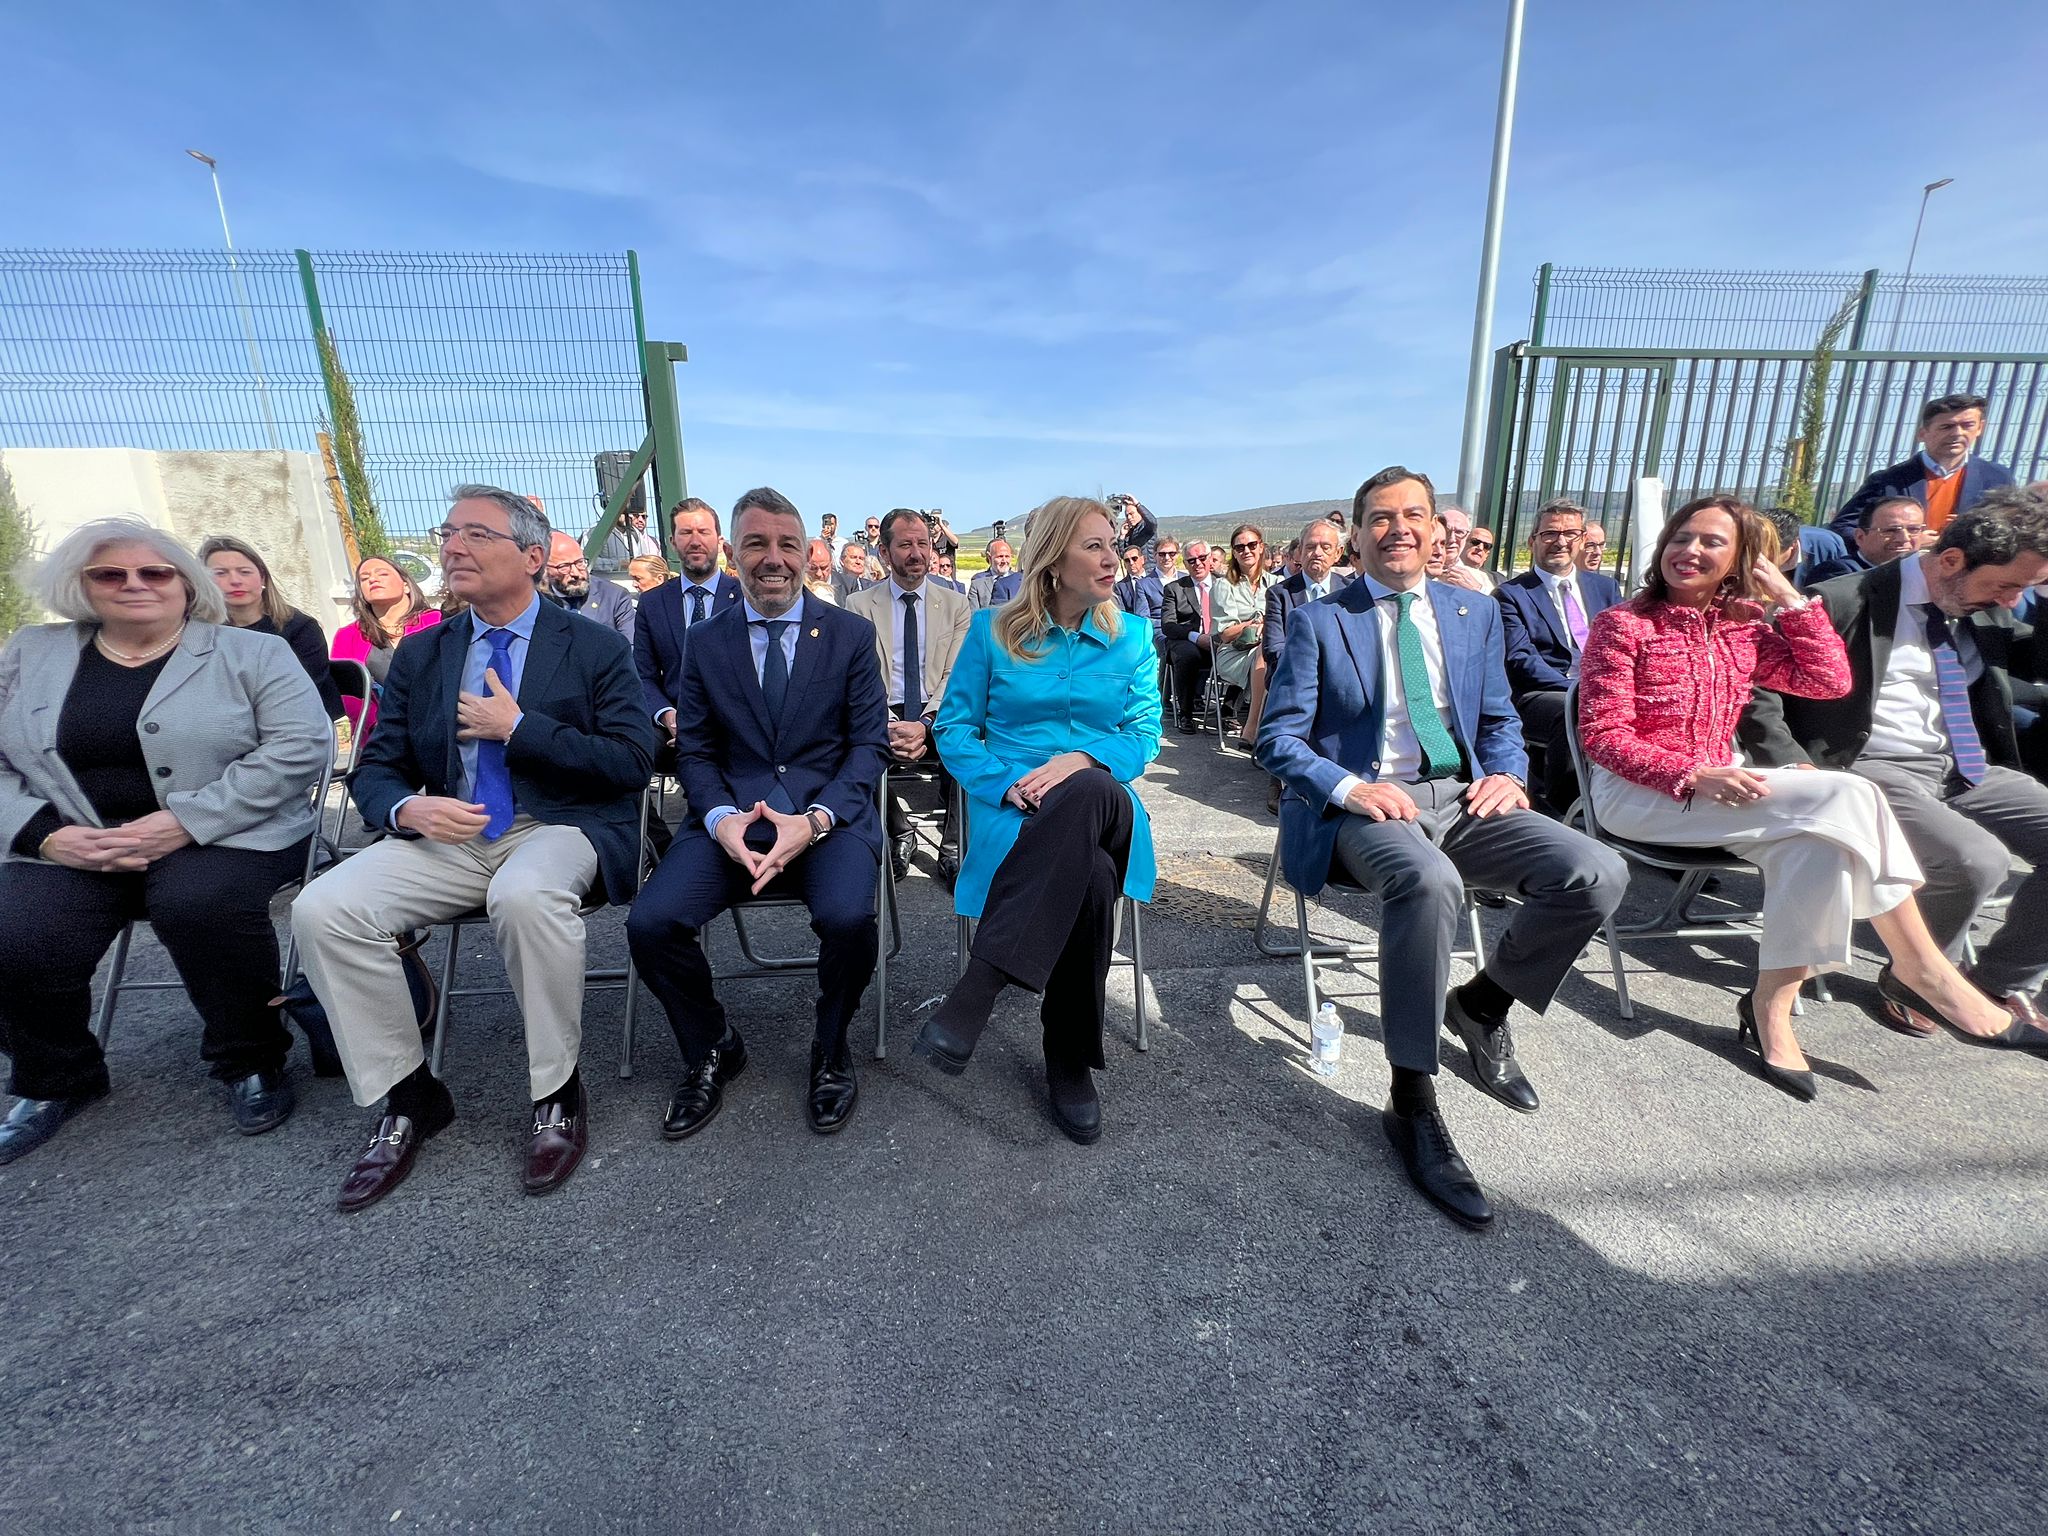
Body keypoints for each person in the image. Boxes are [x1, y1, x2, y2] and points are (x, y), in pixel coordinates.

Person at [1256, 466, 1630, 1231]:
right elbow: (1278, 739)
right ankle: (1411, 1095)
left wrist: (1510, 775)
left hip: (1460, 798)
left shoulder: (1471, 612)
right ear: (1357, 535)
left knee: (1596, 868)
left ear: (1438, 533)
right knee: (1428, 885)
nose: (1398, 528)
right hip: (1362, 811)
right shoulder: (1323, 620)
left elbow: (1497, 717)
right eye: (1381, 518)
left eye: (1414, 516)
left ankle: (1481, 1004)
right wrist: (1349, 788)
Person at [1577, 495, 2017, 1104]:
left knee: (1819, 848)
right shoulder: (1625, 624)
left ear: (1742, 560)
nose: (1690, 551)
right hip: (1641, 794)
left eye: (1711, 542)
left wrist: (1788, 600)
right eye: (1682, 537)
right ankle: (1924, 969)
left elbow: (1827, 682)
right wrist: (1693, 773)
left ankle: (1770, 1009)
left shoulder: (1744, 625)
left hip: (1727, 789)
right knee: (1849, 791)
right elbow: (1603, 735)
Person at [292, 487, 658, 1210]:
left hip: (559, 824)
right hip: (450, 828)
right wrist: (406, 805)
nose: (452, 547)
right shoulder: (423, 654)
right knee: (322, 908)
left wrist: (520, 729)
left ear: (529, 557)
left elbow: (631, 762)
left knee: (523, 896)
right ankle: (409, 1095)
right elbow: (376, 768)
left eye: (475, 535)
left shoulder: (595, 646)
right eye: (449, 532)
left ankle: (556, 1093)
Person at [0, 518, 329, 1162]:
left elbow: (302, 746)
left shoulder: (251, 652)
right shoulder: (31, 653)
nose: (134, 584)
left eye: (155, 572)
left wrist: (185, 820)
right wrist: (46, 837)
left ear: (187, 584)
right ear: (81, 586)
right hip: (76, 836)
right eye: (110, 574)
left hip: (232, 830)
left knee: (200, 904)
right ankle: (54, 1076)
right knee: (14, 928)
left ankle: (249, 1060)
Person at [1740, 490, 2048, 1046]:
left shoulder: (1982, 610)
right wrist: (1796, 766)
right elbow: (1755, 687)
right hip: (1869, 764)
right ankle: (1919, 975)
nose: (2013, 598)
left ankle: (1995, 983)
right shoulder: (1843, 600)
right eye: (2006, 584)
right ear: (1951, 561)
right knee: (1977, 861)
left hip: (1964, 765)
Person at [625, 488, 888, 1140]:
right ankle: (712, 1044)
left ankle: (830, 1048)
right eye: (756, 544)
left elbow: (870, 745)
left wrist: (818, 818)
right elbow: (699, 751)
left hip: (827, 823)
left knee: (850, 917)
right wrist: (719, 818)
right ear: (731, 553)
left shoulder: (851, 634)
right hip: (732, 825)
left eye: (786, 545)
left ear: (806, 553)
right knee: (651, 923)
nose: (773, 559)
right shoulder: (704, 641)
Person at [916, 496, 1163, 1144]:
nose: (1113, 557)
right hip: (1015, 807)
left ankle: (981, 984)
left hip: (1104, 796)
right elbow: (955, 730)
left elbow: (1145, 735)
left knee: (1084, 793)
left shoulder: (1133, 637)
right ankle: (1067, 1057)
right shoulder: (992, 632)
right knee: (1092, 877)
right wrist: (1006, 785)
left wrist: (1081, 758)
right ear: (1053, 560)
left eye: (1114, 544)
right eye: (1094, 546)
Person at [847, 508, 971, 884]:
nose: (916, 553)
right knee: (852, 747)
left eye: (922, 543)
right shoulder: (859, 606)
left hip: (940, 711)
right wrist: (887, 722)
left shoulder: (955, 605)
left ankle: (952, 844)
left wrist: (925, 724)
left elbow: (956, 676)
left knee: (969, 741)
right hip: (882, 711)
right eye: (905, 545)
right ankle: (899, 832)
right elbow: (861, 676)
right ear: (884, 552)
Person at [1495, 499, 1624, 816]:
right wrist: (1581, 689)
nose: (1560, 542)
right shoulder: (1511, 595)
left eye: (1570, 533)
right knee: (1578, 707)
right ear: (1533, 541)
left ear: (1582, 540)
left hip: (1603, 688)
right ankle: (1566, 808)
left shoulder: (1605, 588)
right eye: (1550, 533)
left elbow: (1624, 645)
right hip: (1542, 693)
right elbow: (1521, 660)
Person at [634, 497, 743, 753]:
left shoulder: (745, 598)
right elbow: (643, 675)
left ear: (719, 540)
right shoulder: (652, 603)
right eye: (685, 533)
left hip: (737, 726)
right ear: (672, 543)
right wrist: (667, 715)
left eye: (703, 532)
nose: (695, 541)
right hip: (672, 726)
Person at [1829, 393, 2016, 542]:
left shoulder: (1998, 479)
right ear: (1922, 433)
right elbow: (1843, 527)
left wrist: (1974, 531)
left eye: (1967, 425)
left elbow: (2014, 528)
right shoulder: (1889, 480)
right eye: (1946, 427)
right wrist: (1901, 540)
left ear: (1980, 428)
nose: (1957, 433)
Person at [200, 535, 345, 722]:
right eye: (220, 573)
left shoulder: (300, 627)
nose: (235, 580)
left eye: (244, 572)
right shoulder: (199, 633)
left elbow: (303, 695)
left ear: (262, 577)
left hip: (298, 725)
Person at [331, 554, 443, 741]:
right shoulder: (347, 636)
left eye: (382, 574)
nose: (373, 579)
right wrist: (381, 726)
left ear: (406, 584)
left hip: (438, 731)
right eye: (364, 579)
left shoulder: (438, 622)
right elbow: (349, 696)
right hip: (380, 738)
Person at [1211, 523, 1278, 748]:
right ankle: (1253, 725)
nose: (1246, 551)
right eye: (1240, 547)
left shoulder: (1277, 585)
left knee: (1276, 654)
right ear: (1234, 552)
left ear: (1261, 547)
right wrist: (1255, 622)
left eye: (1251, 545)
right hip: (1234, 653)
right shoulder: (1224, 585)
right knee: (1266, 652)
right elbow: (1226, 634)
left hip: (1271, 649)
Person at [1160, 539, 1217, 733]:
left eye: (1202, 558)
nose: (1198, 563)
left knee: (1251, 653)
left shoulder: (1224, 584)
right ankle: (1186, 713)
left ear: (1210, 559)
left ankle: (1228, 710)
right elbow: (1168, 626)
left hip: (1221, 640)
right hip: (1186, 641)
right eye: (1191, 560)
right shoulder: (1174, 589)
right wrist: (1195, 636)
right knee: (1188, 655)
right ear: (1184, 564)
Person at [1806, 496, 1926, 584]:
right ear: (1860, 537)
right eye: (1890, 530)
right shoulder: (1836, 573)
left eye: (1913, 529)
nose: (1904, 538)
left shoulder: (1924, 574)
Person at [544, 532, 635, 641]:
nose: (576, 573)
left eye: (580, 563)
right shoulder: (536, 600)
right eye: (564, 567)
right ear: (545, 568)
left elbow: (630, 646)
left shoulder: (614, 596)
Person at [1114, 543, 1166, 640]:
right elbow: (1121, 614)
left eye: (1134, 558)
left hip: (1161, 627)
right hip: (1136, 632)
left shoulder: (1156, 579)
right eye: (1127, 560)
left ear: (1143, 559)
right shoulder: (1119, 587)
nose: (1131, 563)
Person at [596, 505, 662, 572]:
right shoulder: (596, 533)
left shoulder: (636, 534)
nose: (640, 520)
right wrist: (618, 564)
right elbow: (588, 562)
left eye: (644, 517)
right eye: (635, 515)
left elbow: (644, 558)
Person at [968, 539, 1020, 609]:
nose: (1004, 561)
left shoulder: (1019, 580)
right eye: (1000, 556)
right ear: (989, 558)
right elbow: (974, 613)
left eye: (1007, 556)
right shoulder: (978, 583)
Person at [1453, 520, 1498, 593]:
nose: (1480, 548)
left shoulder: (1497, 579)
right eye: (1475, 542)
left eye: (1486, 546)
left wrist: (1479, 588)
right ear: (1463, 544)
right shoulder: (1449, 569)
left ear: (1487, 554)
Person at [805, 537, 841, 605]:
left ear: (831, 563)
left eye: (823, 568)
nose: (818, 574)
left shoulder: (849, 586)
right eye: (813, 568)